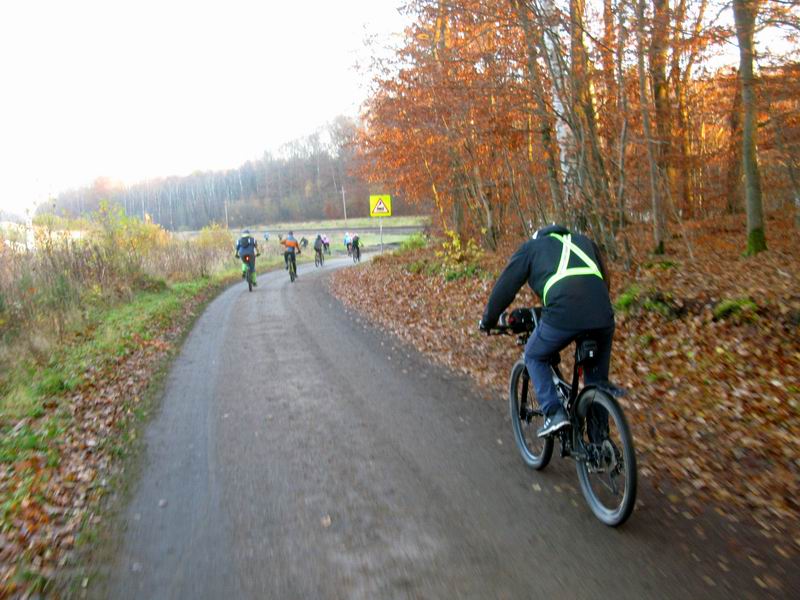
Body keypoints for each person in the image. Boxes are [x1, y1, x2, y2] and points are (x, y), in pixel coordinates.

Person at [479, 224, 614, 438]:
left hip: (563, 312)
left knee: (533, 354)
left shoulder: (532, 247)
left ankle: (554, 412)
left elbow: (505, 287)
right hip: (602, 313)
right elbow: (605, 280)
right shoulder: (584, 242)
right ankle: (600, 444)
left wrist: (488, 320)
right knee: (596, 381)